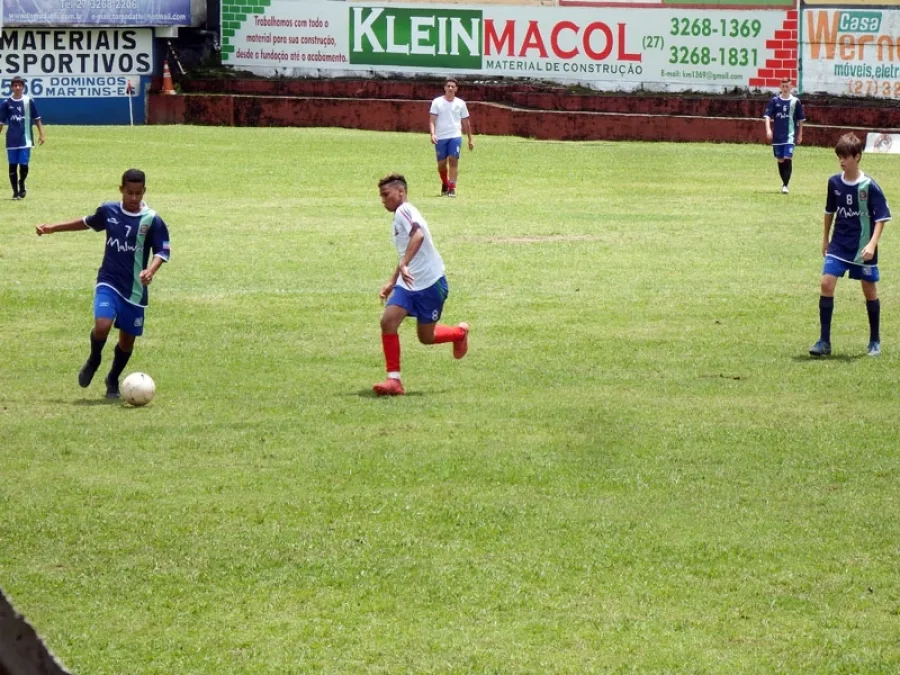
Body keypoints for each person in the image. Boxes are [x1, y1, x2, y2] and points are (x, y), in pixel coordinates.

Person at [35, 169, 171, 398]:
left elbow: (163, 249)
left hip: (135, 290)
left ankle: (112, 379)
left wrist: (151, 269)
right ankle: (94, 358)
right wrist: (53, 228)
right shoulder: (109, 211)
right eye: (129, 193)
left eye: (138, 193)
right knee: (102, 325)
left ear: (144, 191)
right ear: (121, 190)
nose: (134, 198)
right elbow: (86, 222)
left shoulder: (152, 219)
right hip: (108, 281)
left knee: (127, 342)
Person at [373, 173, 469, 396]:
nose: (383, 200)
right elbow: (405, 250)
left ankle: (459, 334)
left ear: (401, 192)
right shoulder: (400, 216)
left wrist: (404, 265)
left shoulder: (404, 210)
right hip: (408, 285)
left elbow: (418, 237)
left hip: (430, 285)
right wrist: (392, 281)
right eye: (381, 196)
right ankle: (394, 380)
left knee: (426, 337)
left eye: (386, 195)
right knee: (388, 321)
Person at [810, 133, 891, 358]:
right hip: (838, 244)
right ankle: (824, 341)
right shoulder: (834, 182)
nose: (841, 161)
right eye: (839, 157)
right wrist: (825, 238)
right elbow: (830, 212)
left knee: (869, 290)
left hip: (862, 248)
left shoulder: (869, 186)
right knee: (826, 283)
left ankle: (874, 340)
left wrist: (872, 245)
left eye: (845, 157)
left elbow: (881, 217)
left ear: (857, 157)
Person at [0, 75, 46, 200]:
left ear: (23, 87)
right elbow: (1, 122)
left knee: (24, 165)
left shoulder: (28, 101)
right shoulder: (6, 103)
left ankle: (22, 183)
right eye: (15, 85)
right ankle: (15, 192)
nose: (18, 87)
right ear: (11, 87)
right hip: (11, 140)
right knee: (12, 166)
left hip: (25, 139)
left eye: (20, 85)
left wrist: (41, 134)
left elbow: (37, 119)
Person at [429, 78, 474, 198]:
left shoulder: (460, 104)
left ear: (456, 89)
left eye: (452, 86)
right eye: (448, 86)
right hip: (441, 137)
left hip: (455, 136)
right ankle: (445, 182)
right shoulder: (437, 102)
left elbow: (466, 122)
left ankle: (452, 187)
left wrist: (470, 139)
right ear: (444, 88)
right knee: (442, 164)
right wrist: (433, 134)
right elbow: (432, 120)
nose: (450, 88)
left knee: (453, 160)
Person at [763, 77, 804, 194]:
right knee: (780, 160)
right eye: (783, 86)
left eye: (787, 86)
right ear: (780, 87)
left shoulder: (795, 102)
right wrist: (768, 130)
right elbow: (767, 116)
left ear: (791, 87)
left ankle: (786, 185)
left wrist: (800, 134)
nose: (785, 89)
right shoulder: (774, 101)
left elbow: (801, 119)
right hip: (777, 136)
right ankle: (784, 183)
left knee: (788, 157)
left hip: (790, 136)